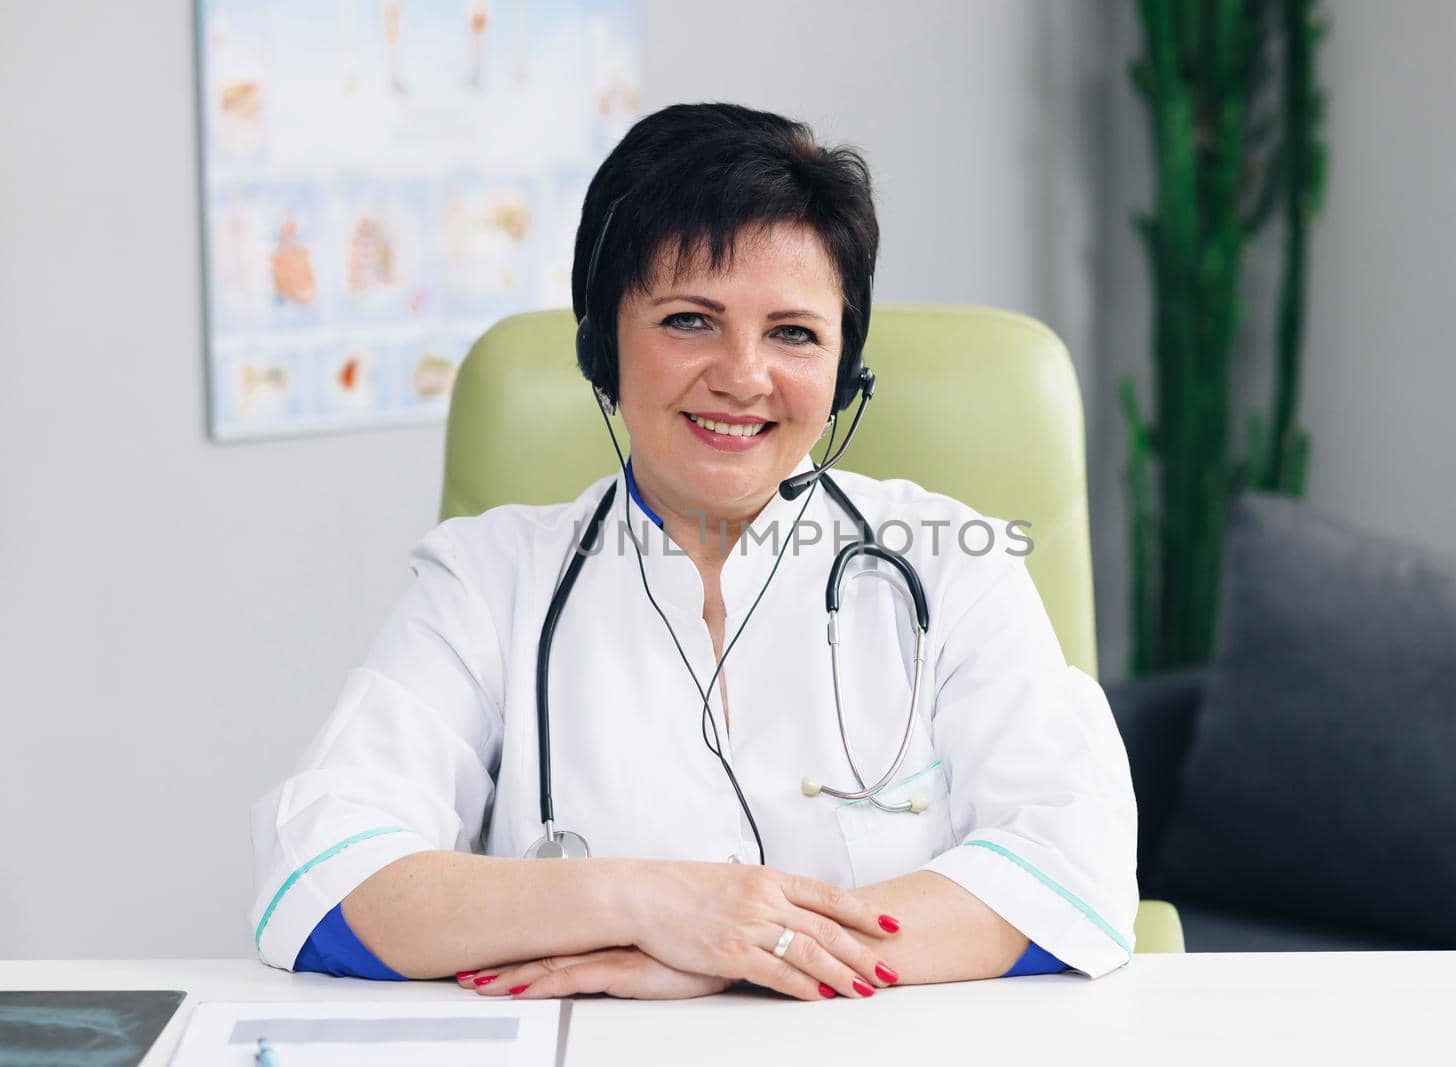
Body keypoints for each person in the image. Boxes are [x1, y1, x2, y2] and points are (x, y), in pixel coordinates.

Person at [250, 102, 1138, 1001]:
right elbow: (322, 876)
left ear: (843, 369)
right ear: (605, 346)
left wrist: (738, 953)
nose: (744, 375)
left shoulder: (955, 568)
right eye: (688, 320)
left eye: (793, 332)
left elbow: (1076, 868)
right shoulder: (486, 581)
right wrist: (650, 901)